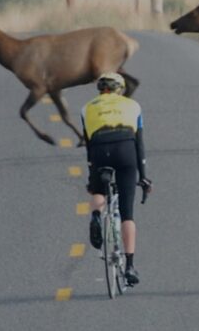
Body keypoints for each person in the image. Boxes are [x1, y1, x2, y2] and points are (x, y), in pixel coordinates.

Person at [82, 72, 152, 286]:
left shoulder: (86, 108)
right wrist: (144, 178)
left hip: (99, 151)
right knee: (127, 213)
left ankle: (95, 215)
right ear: (120, 89)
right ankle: (130, 265)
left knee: (98, 192)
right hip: (126, 150)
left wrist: (92, 174)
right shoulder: (133, 105)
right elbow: (139, 144)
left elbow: (88, 143)